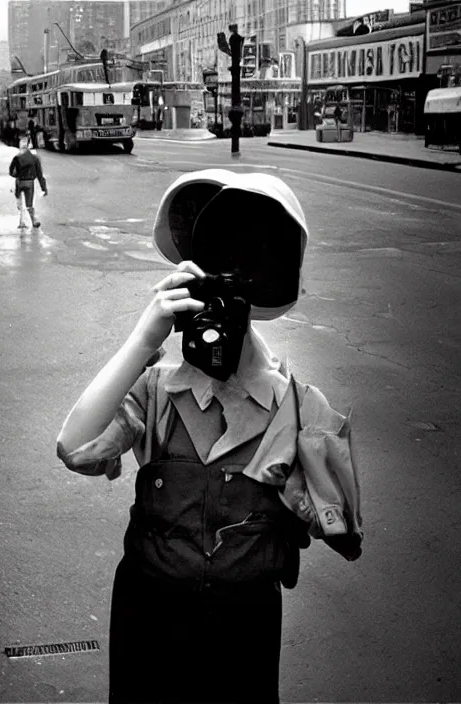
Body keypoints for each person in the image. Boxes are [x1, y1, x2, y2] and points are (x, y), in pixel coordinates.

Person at [57, 170, 363, 704]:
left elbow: (346, 531)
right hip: (147, 626)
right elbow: (75, 448)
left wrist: (308, 481)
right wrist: (143, 337)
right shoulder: (154, 391)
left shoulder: (298, 407)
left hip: (243, 635)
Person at [8, 137, 48, 229]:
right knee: (29, 203)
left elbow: (11, 172)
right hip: (30, 183)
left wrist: (16, 175)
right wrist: (44, 188)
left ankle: (22, 222)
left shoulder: (16, 158)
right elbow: (40, 175)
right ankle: (34, 220)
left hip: (19, 182)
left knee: (20, 203)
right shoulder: (35, 159)